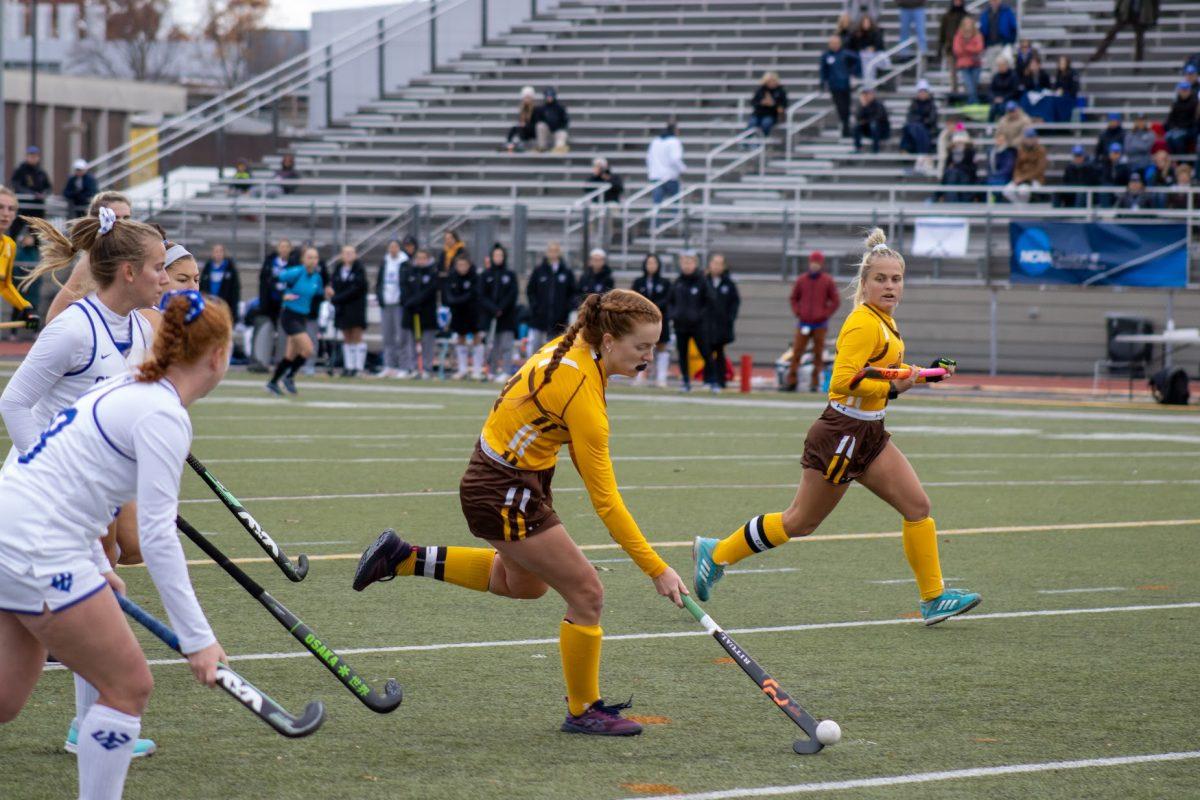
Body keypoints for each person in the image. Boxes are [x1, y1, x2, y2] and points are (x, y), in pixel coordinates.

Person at [352, 289, 687, 736]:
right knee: (587, 592)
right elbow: (605, 500)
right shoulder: (583, 393)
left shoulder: (576, 342)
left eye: (655, 346)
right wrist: (656, 568)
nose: (650, 356)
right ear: (608, 341)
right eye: (641, 347)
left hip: (506, 475)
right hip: (503, 488)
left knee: (522, 586)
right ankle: (584, 709)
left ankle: (403, 557)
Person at [0, 288, 230, 800]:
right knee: (128, 686)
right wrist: (197, 638)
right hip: (37, 545)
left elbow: (70, 479)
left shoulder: (129, 387)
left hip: (14, 530)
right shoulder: (162, 413)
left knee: (5, 699)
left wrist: (91, 561)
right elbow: (156, 536)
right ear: (218, 356)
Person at [692, 229, 981, 627]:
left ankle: (933, 599)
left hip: (870, 433)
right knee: (800, 522)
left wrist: (926, 375)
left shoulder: (886, 322)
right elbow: (843, 380)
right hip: (842, 435)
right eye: (880, 279)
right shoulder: (864, 322)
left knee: (918, 508)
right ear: (863, 284)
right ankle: (717, 552)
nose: (889, 286)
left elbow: (881, 383)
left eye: (896, 279)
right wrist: (899, 377)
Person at [2, 209, 169, 761]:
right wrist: (48, 470)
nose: (164, 280)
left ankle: (89, 723)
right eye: (158, 269)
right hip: (40, 507)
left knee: (11, 690)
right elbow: (15, 403)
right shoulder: (74, 327)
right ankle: (92, 722)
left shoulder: (142, 328)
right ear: (126, 272)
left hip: (86, 503)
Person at [43, 192, 134, 324]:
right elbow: (53, 317)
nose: (122, 223)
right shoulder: (91, 261)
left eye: (126, 218)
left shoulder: (129, 256)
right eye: (115, 217)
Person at [267, 244, 324, 395]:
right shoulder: (296, 272)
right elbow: (272, 281)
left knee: (290, 355)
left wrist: (328, 294)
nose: (313, 260)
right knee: (308, 349)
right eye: (309, 257)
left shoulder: (317, 278)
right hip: (290, 316)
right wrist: (282, 296)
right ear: (303, 259)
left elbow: (319, 295)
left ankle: (273, 383)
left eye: (315, 257)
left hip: (302, 317)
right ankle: (289, 377)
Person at [785, 251, 839, 393]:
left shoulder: (827, 281)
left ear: (821, 264)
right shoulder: (801, 280)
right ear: (810, 263)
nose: (814, 265)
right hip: (803, 323)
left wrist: (825, 314)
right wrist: (798, 312)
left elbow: (835, 301)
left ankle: (815, 383)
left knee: (818, 354)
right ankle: (791, 381)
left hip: (820, 324)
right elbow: (793, 298)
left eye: (817, 263)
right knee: (797, 352)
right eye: (813, 262)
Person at [667, 251, 711, 393]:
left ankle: (712, 380)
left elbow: (709, 301)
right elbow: (671, 301)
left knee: (705, 352)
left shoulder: (702, 281)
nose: (686, 265)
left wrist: (699, 316)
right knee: (682, 354)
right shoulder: (678, 282)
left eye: (689, 262)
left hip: (698, 325)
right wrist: (674, 314)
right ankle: (686, 381)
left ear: (695, 264)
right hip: (681, 325)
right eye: (684, 262)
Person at [0, 187, 41, 333]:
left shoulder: (9, 245)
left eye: (11, 209)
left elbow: (5, 285)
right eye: (1, 207)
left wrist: (26, 308)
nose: (5, 213)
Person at [478, 243, 518, 382]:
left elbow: (512, 294)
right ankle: (491, 371)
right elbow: (481, 295)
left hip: (506, 316)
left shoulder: (510, 275)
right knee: (492, 345)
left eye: (500, 255)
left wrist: (501, 308)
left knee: (506, 345)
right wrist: (492, 308)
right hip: (490, 317)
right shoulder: (485, 275)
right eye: (496, 255)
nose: (498, 258)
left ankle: (506, 371)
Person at [527, 241, 576, 354]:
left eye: (556, 251)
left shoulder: (566, 272)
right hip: (539, 319)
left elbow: (573, 293)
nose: (553, 254)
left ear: (559, 253)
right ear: (547, 253)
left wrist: (566, 308)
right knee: (536, 349)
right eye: (551, 251)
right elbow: (530, 291)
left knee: (555, 350)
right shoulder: (539, 271)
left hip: (559, 320)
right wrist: (535, 307)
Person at [631, 253, 671, 388]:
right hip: (642, 321)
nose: (651, 266)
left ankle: (661, 378)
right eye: (649, 263)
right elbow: (633, 299)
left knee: (662, 347)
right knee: (642, 347)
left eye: (654, 263)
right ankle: (640, 376)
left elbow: (668, 300)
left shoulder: (665, 283)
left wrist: (654, 308)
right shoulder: (638, 282)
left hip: (660, 320)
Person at [328, 244, 369, 377]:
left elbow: (356, 288)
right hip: (343, 308)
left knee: (357, 334)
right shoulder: (338, 269)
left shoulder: (359, 269)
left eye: (351, 253)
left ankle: (358, 367)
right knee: (347, 336)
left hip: (356, 307)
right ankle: (349, 366)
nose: (348, 255)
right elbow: (334, 284)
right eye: (346, 253)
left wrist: (338, 298)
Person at [399, 248, 439, 378]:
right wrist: (410, 303)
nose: (421, 261)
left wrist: (417, 302)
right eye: (418, 258)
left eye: (423, 258)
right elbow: (404, 289)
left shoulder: (433, 272)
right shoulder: (409, 271)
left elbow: (430, 290)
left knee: (427, 343)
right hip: (411, 312)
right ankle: (412, 367)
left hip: (426, 312)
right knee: (410, 342)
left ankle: (427, 368)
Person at [443, 254, 482, 380]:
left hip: (473, 311)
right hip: (458, 312)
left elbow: (473, 294)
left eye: (464, 265)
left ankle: (477, 370)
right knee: (461, 338)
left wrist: (457, 300)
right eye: (459, 265)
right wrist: (454, 301)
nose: (462, 267)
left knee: (477, 337)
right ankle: (462, 369)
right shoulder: (452, 277)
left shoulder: (474, 277)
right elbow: (448, 294)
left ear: (469, 265)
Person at [704, 254, 739, 392]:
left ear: (724, 266)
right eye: (714, 263)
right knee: (706, 352)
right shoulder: (704, 281)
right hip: (706, 325)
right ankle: (708, 379)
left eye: (719, 263)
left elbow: (735, 303)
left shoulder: (729, 284)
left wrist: (729, 318)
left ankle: (721, 380)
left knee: (720, 352)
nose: (716, 266)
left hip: (722, 325)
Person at [375, 239, 408, 378]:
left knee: (401, 337)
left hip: (399, 304)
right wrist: (381, 298)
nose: (393, 249)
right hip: (386, 303)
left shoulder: (405, 263)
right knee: (387, 337)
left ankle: (403, 366)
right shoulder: (385, 262)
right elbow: (379, 282)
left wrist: (403, 298)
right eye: (391, 247)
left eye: (395, 247)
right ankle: (389, 365)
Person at [1089, 0, 1159, 63]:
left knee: (1139, 39)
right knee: (1112, 33)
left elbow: (1155, 3)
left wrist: (1154, 18)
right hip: (1127, 12)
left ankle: (1138, 62)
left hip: (1140, 14)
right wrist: (1118, 10)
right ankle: (1099, 53)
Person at [820, 35, 861, 138]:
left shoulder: (845, 54)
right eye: (832, 43)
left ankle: (846, 128)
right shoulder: (826, 56)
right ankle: (845, 127)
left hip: (845, 85)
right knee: (840, 107)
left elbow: (857, 59)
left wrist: (853, 72)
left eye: (836, 43)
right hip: (834, 86)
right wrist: (823, 82)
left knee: (846, 107)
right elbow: (823, 71)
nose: (834, 45)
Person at [9, 146, 51, 229]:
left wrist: (44, 194)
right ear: (27, 157)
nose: (33, 158)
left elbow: (48, 187)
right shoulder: (21, 170)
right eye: (31, 156)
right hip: (23, 206)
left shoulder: (41, 172)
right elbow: (16, 185)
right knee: (15, 229)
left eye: (35, 156)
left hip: (37, 208)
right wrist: (31, 194)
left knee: (37, 232)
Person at [646, 122, 686, 205]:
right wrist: (683, 169)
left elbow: (649, 158)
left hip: (656, 176)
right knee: (675, 203)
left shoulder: (655, 141)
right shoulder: (674, 141)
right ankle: (674, 217)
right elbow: (675, 159)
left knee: (657, 204)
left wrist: (651, 172)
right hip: (669, 177)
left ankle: (656, 218)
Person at [1003, 129, 1047, 203]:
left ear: (1036, 138)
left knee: (1023, 191)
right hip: (1020, 178)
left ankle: (1025, 210)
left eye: (1032, 138)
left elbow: (1039, 169)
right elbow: (1016, 167)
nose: (1030, 140)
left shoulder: (1041, 150)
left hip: (1035, 179)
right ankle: (1019, 208)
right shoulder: (1020, 150)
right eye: (1028, 138)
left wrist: (1023, 178)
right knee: (1007, 190)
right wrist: (1016, 177)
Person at [199, 244, 240, 319]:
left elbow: (235, 289)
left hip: (224, 304)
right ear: (212, 253)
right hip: (210, 304)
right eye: (216, 251)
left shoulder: (230, 268)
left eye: (220, 251)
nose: (218, 254)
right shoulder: (207, 267)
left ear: (224, 253)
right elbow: (202, 285)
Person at [900, 80, 938, 157]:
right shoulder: (913, 104)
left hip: (927, 128)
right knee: (910, 127)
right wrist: (919, 121)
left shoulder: (932, 105)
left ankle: (906, 149)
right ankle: (921, 153)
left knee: (917, 128)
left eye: (924, 92)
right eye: (921, 92)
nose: (922, 94)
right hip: (915, 127)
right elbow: (909, 117)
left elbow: (932, 119)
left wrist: (920, 121)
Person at [952, 16, 985, 105]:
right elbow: (957, 51)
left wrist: (966, 48)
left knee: (974, 86)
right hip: (964, 66)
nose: (968, 25)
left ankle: (971, 105)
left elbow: (979, 48)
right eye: (966, 23)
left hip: (976, 64)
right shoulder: (958, 36)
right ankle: (975, 105)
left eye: (969, 23)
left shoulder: (977, 35)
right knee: (970, 87)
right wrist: (971, 49)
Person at [939, 0, 968, 95]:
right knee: (953, 72)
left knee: (965, 72)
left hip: (965, 50)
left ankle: (967, 91)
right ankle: (954, 91)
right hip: (951, 48)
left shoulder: (966, 16)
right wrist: (940, 49)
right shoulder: (947, 16)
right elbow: (942, 33)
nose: (957, 2)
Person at [940, 130, 978, 203]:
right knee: (952, 174)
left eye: (961, 142)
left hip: (966, 177)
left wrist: (958, 167)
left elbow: (973, 170)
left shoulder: (970, 152)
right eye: (957, 142)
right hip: (952, 177)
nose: (959, 144)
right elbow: (946, 169)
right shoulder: (950, 153)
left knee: (956, 173)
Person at [746, 72, 788, 138]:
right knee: (752, 122)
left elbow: (783, 105)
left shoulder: (780, 91)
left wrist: (773, 104)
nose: (771, 83)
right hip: (758, 114)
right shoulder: (760, 90)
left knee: (766, 122)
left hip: (772, 115)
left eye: (773, 81)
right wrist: (762, 103)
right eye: (769, 81)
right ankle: (747, 142)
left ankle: (762, 139)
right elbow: (753, 102)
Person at [979, 0, 1018, 70]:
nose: (994, 1)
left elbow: (1013, 28)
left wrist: (1009, 42)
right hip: (990, 46)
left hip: (1003, 45)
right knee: (993, 70)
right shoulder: (985, 13)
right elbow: (982, 30)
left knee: (1006, 68)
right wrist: (984, 44)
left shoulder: (1007, 11)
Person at [853, 87, 890, 154]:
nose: (866, 96)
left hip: (881, 129)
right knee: (856, 126)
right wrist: (863, 106)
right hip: (868, 130)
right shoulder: (861, 105)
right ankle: (858, 148)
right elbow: (858, 117)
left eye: (867, 94)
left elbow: (879, 117)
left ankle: (875, 149)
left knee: (873, 124)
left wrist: (866, 121)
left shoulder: (878, 104)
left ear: (872, 95)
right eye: (864, 95)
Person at [1164, 81, 1198, 155]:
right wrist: (1173, 127)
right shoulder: (1175, 103)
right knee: (1168, 136)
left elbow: (1195, 120)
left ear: (1189, 91)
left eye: (1186, 90)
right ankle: (1174, 161)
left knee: (1177, 139)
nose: (1184, 92)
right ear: (1179, 90)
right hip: (1176, 129)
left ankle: (1182, 161)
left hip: (1189, 129)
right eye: (1182, 90)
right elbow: (1170, 119)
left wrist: (1181, 128)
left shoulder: (1195, 103)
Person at [533, 87, 570, 154]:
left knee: (563, 133)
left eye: (551, 96)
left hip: (557, 131)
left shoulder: (560, 108)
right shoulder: (541, 108)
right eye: (548, 96)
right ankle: (542, 146)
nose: (549, 98)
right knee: (540, 125)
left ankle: (559, 147)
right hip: (547, 131)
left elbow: (565, 121)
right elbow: (538, 120)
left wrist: (557, 126)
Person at [1097, 142, 1132, 208]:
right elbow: (1104, 179)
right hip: (1110, 188)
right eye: (1113, 152)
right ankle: (1105, 213)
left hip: (1121, 188)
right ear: (1109, 153)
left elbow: (1126, 179)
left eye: (1117, 152)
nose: (1115, 155)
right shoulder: (1105, 164)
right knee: (1104, 190)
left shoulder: (1125, 166)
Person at [985, 132, 1017, 200]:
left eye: (1002, 140)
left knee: (998, 186)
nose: (999, 142)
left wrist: (996, 174)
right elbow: (989, 167)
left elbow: (1008, 169)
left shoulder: (1009, 153)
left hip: (1004, 177)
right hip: (993, 177)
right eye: (998, 140)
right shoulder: (991, 152)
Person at [506, 86, 539, 153]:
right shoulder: (522, 108)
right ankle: (509, 143)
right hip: (524, 130)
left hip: (533, 131)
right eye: (525, 97)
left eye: (528, 97)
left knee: (520, 128)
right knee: (514, 128)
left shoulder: (536, 109)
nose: (526, 99)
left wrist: (526, 125)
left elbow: (536, 124)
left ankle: (520, 144)